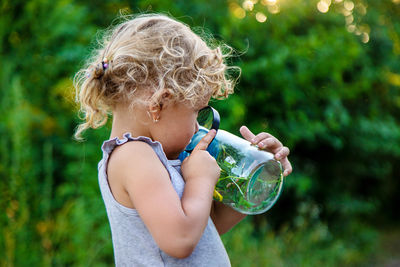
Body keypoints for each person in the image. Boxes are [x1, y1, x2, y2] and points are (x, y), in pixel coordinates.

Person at [74, 13, 292, 266]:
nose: (199, 127)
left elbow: (204, 228)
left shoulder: (160, 157)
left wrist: (255, 179)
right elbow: (181, 240)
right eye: (196, 112)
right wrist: (201, 178)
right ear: (158, 104)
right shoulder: (133, 157)